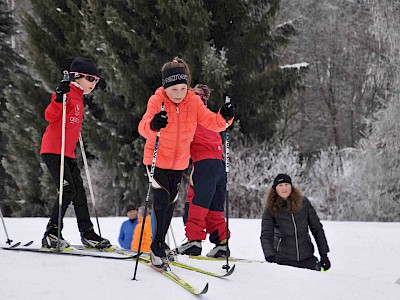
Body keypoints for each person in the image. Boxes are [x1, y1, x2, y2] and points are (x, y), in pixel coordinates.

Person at [138, 57, 234, 268]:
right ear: (165, 87)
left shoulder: (193, 101)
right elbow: (143, 127)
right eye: (174, 90)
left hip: (179, 163)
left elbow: (212, 122)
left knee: (171, 203)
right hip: (157, 159)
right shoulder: (157, 101)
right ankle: (157, 245)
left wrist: (224, 117)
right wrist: (153, 124)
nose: (179, 94)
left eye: (183, 88)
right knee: (161, 200)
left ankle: (160, 243)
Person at [40, 57, 111, 249]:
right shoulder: (67, 92)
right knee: (68, 189)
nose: (94, 83)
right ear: (77, 77)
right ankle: (52, 233)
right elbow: (50, 116)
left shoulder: (79, 97)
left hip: (67, 153)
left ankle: (87, 233)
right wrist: (57, 98)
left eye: (96, 80)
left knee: (79, 192)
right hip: (53, 150)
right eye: (90, 79)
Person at [175, 84, 230, 258]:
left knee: (196, 203)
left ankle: (194, 241)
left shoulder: (190, 115)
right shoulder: (211, 117)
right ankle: (221, 242)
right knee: (215, 206)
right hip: (220, 166)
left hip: (203, 164)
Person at [260, 174, 331, 271]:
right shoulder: (270, 208)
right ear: (275, 189)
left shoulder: (304, 203)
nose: (284, 188)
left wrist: (324, 254)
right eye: (280, 185)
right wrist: (270, 256)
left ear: (291, 186)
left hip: (306, 258)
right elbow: (266, 235)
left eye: (286, 184)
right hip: (283, 260)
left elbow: (317, 229)